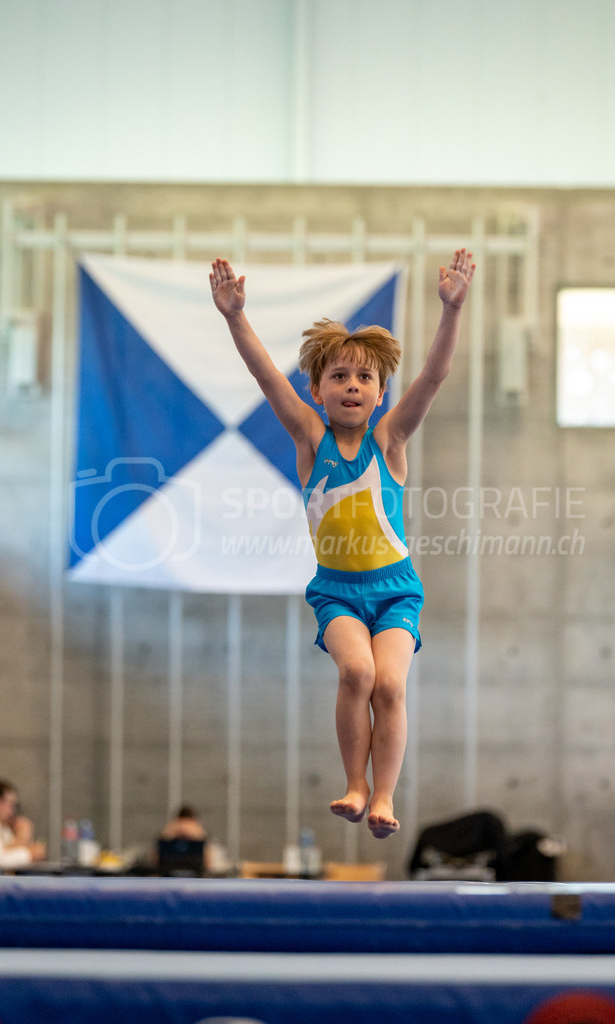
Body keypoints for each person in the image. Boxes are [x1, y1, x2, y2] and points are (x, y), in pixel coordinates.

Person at [210, 249, 475, 838]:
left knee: (391, 683)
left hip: (396, 589)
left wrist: (452, 310)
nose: (352, 386)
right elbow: (265, 378)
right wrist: (235, 318)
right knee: (356, 673)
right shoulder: (309, 437)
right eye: (339, 377)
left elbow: (433, 377)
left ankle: (383, 796)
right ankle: (354, 783)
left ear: (381, 393)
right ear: (318, 390)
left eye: (364, 378)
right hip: (337, 592)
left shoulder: (391, 439)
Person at [0, 778, 46, 872]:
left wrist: (23, 838)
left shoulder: (1, 825)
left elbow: (7, 850)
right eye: (10, 804)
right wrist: (30, 854)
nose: (12, 810)